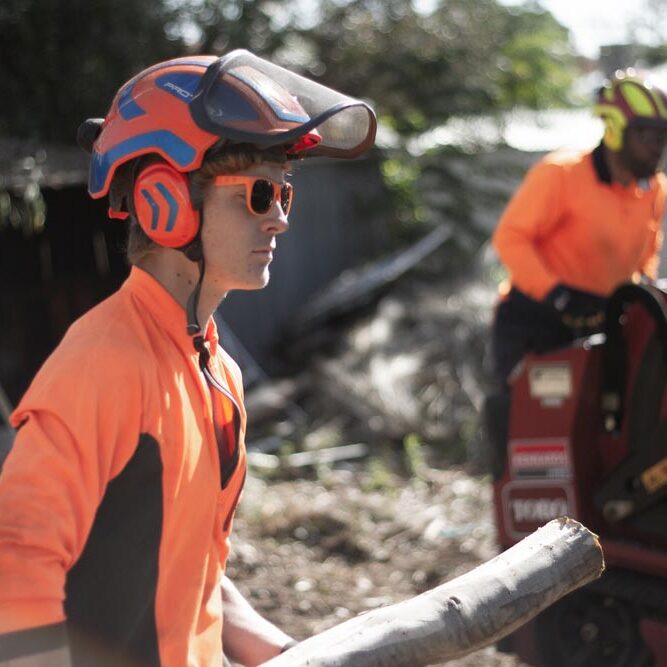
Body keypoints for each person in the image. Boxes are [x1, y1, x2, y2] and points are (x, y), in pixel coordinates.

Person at [0, 50, 376, 666]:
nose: (279, 219)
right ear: (164, 202)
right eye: (258, 194)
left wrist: (288, 652)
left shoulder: (216, 370)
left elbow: (196, 571)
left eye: (285, 194)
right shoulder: (103, 362)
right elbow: (15, 560)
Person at [490, 68, 667, 388]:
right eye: (648, 136)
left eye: (663, 137)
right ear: (615, 130)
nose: (658, 147)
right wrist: (557, 294)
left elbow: (646, 257)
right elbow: (510, 238)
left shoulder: (655, 190)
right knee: (542, 426)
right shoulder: (561, 174)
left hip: (603, 323)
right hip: (537, 322)